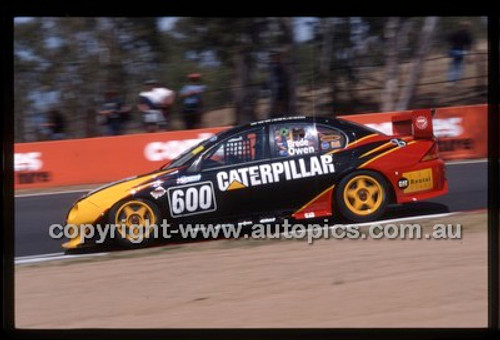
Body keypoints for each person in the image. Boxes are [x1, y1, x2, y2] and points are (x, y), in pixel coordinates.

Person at [269, 50, 290, 117]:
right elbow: (275, 82)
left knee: (282, 107)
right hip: (278, 92)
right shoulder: (275, 68)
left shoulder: (281, 67)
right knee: (278, 108)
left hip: (282, 91)